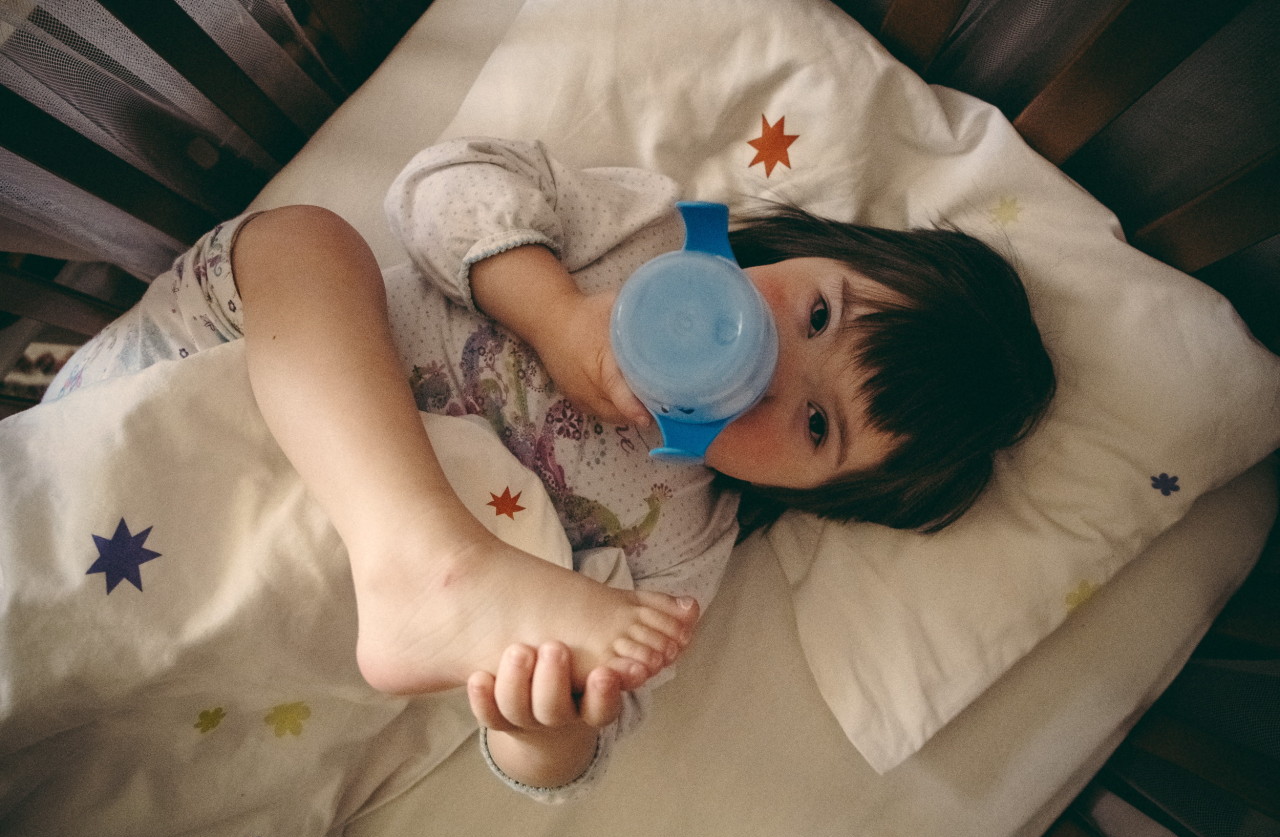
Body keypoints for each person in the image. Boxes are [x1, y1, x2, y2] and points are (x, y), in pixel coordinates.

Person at [45, 137, 1054, 801]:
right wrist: (555, 313)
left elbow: (593, 732)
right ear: (809, 248)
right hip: (227, 386)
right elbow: (437, 186)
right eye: (819, 312)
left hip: (272, 554)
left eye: (817, 424)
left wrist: (542, 727)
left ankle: (420, 564)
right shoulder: (641, 236)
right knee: (304, 241)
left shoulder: (683, 538)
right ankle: (423, 555)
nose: (772, 369)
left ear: (815, 495)